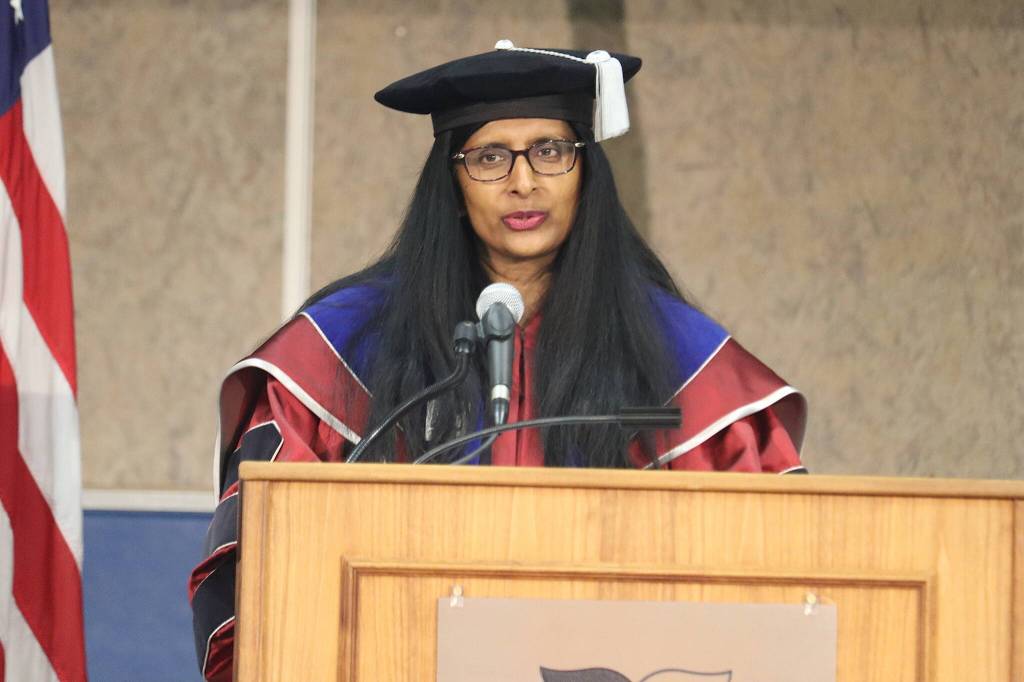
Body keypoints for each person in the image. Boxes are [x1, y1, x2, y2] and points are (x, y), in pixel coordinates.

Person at [188, 40, 808, 680]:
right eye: (489, 157)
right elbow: (258, 574)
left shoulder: (679, 358)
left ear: (586, 172)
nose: (523, 181)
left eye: (550, 150)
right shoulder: (344, 348)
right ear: (452, 185)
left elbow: (782, 579)